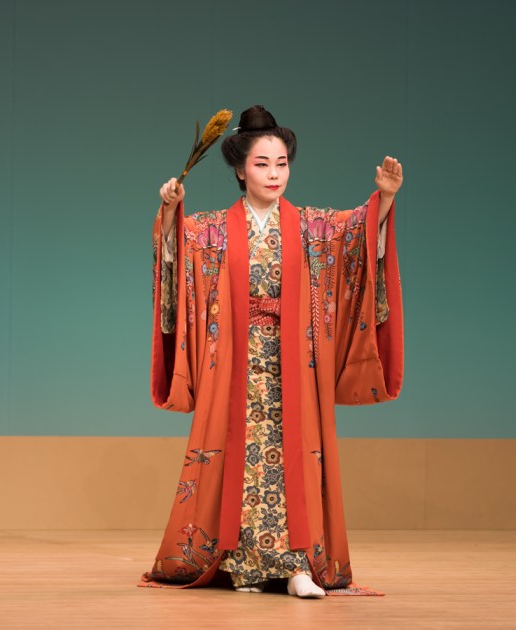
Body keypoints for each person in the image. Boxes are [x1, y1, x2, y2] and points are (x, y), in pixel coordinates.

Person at [139, 105, 404, 598]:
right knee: (240, 457)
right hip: (235, 363)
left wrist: (384, 201)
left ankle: (298, 563)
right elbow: (176, 249)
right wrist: (171, 209)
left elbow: (355, 233)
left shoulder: (309, 226)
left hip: (294, 363)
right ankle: (245, 565)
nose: (274, 174)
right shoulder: (213, 229)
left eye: (282, 163)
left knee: (292, 456)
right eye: (263, 164)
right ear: (240, 169)